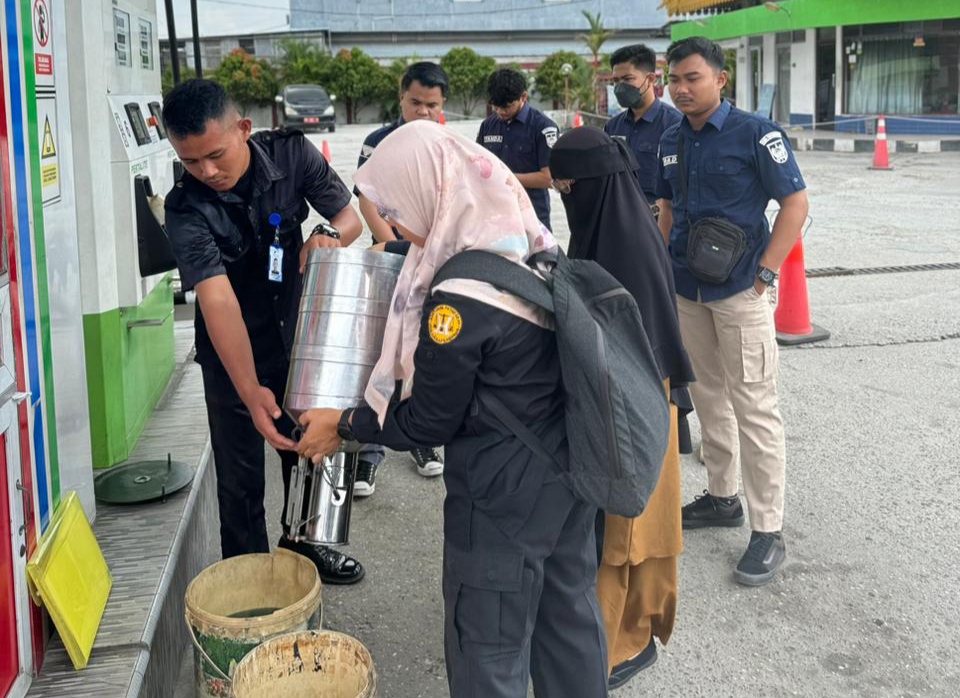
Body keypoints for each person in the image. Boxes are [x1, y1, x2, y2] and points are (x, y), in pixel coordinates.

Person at [297, 120, 609, 698]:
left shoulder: (458, 302)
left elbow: (430, 420)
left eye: (395, 203)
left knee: (487, 641)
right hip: (568, 469)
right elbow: (420, 255)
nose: (392, 220)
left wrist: (345, 425)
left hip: (502, 490)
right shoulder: (525, 242)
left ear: (434, 189)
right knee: (568, 615)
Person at [162, 79, 366, 584]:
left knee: (310, 451)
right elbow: (216, 296)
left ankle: (307, 546)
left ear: (244, 130)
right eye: (190, 162)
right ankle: (248, 578)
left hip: (299, 338)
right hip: (231, 353)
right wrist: (251, 392)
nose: (206, 172)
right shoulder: (185, 206)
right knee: (238, 478)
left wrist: (327, 235)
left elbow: (349, 217)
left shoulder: (292, 156)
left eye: (215, 154)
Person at [656, 37, 809, 586]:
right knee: (708, 396)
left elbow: (795, 203)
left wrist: (767, 271)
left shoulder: (755, 134)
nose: (681, 88)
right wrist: (659, 273)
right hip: (686, 290)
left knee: (755, 405)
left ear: (721, 79)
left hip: (740, 291)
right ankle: (722, 497)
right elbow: (667, 209)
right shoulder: (671, 139)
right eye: (674, 79)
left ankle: (768, 530)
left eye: (692, 78)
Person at [549, 127, 694, 690]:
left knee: (627, 533)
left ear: (592, 184)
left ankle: (622, 644)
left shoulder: (625, 245)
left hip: (637, 404)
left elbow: (637, 343)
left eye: (568, 185)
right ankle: (607, 637)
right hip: (623, 399)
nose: (564, 194)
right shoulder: (610, 222)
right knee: (615, 528)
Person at [353, 61, 450, 497]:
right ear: (401, 99)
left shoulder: (447, 144)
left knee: (423, 351)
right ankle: (369, 453)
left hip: (430, 262)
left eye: (432, 105)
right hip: (390, 256)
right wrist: (394, 245)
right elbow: (367, 200)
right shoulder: (378, 142)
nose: (424, 113)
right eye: (416, 103)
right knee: (381, 352)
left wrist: (424, 251)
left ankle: (423, 441)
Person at [477, 68, 559, 231]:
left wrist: (505, 178)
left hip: (532, 216)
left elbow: (549, 179)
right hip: (496, 215)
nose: (500, 112)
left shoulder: (543, 128)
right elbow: (478, 164)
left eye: (506, 107)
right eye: (496, 107)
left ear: (523, 97)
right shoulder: (488, 125)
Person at [604, 44, 682, 215]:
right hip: (619, 220)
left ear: (651, 79)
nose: (619, 87)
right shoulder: (612, 126)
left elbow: (681, 188)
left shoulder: (675, 125)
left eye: (627, 79)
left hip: (658, 224)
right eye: (616, 81)